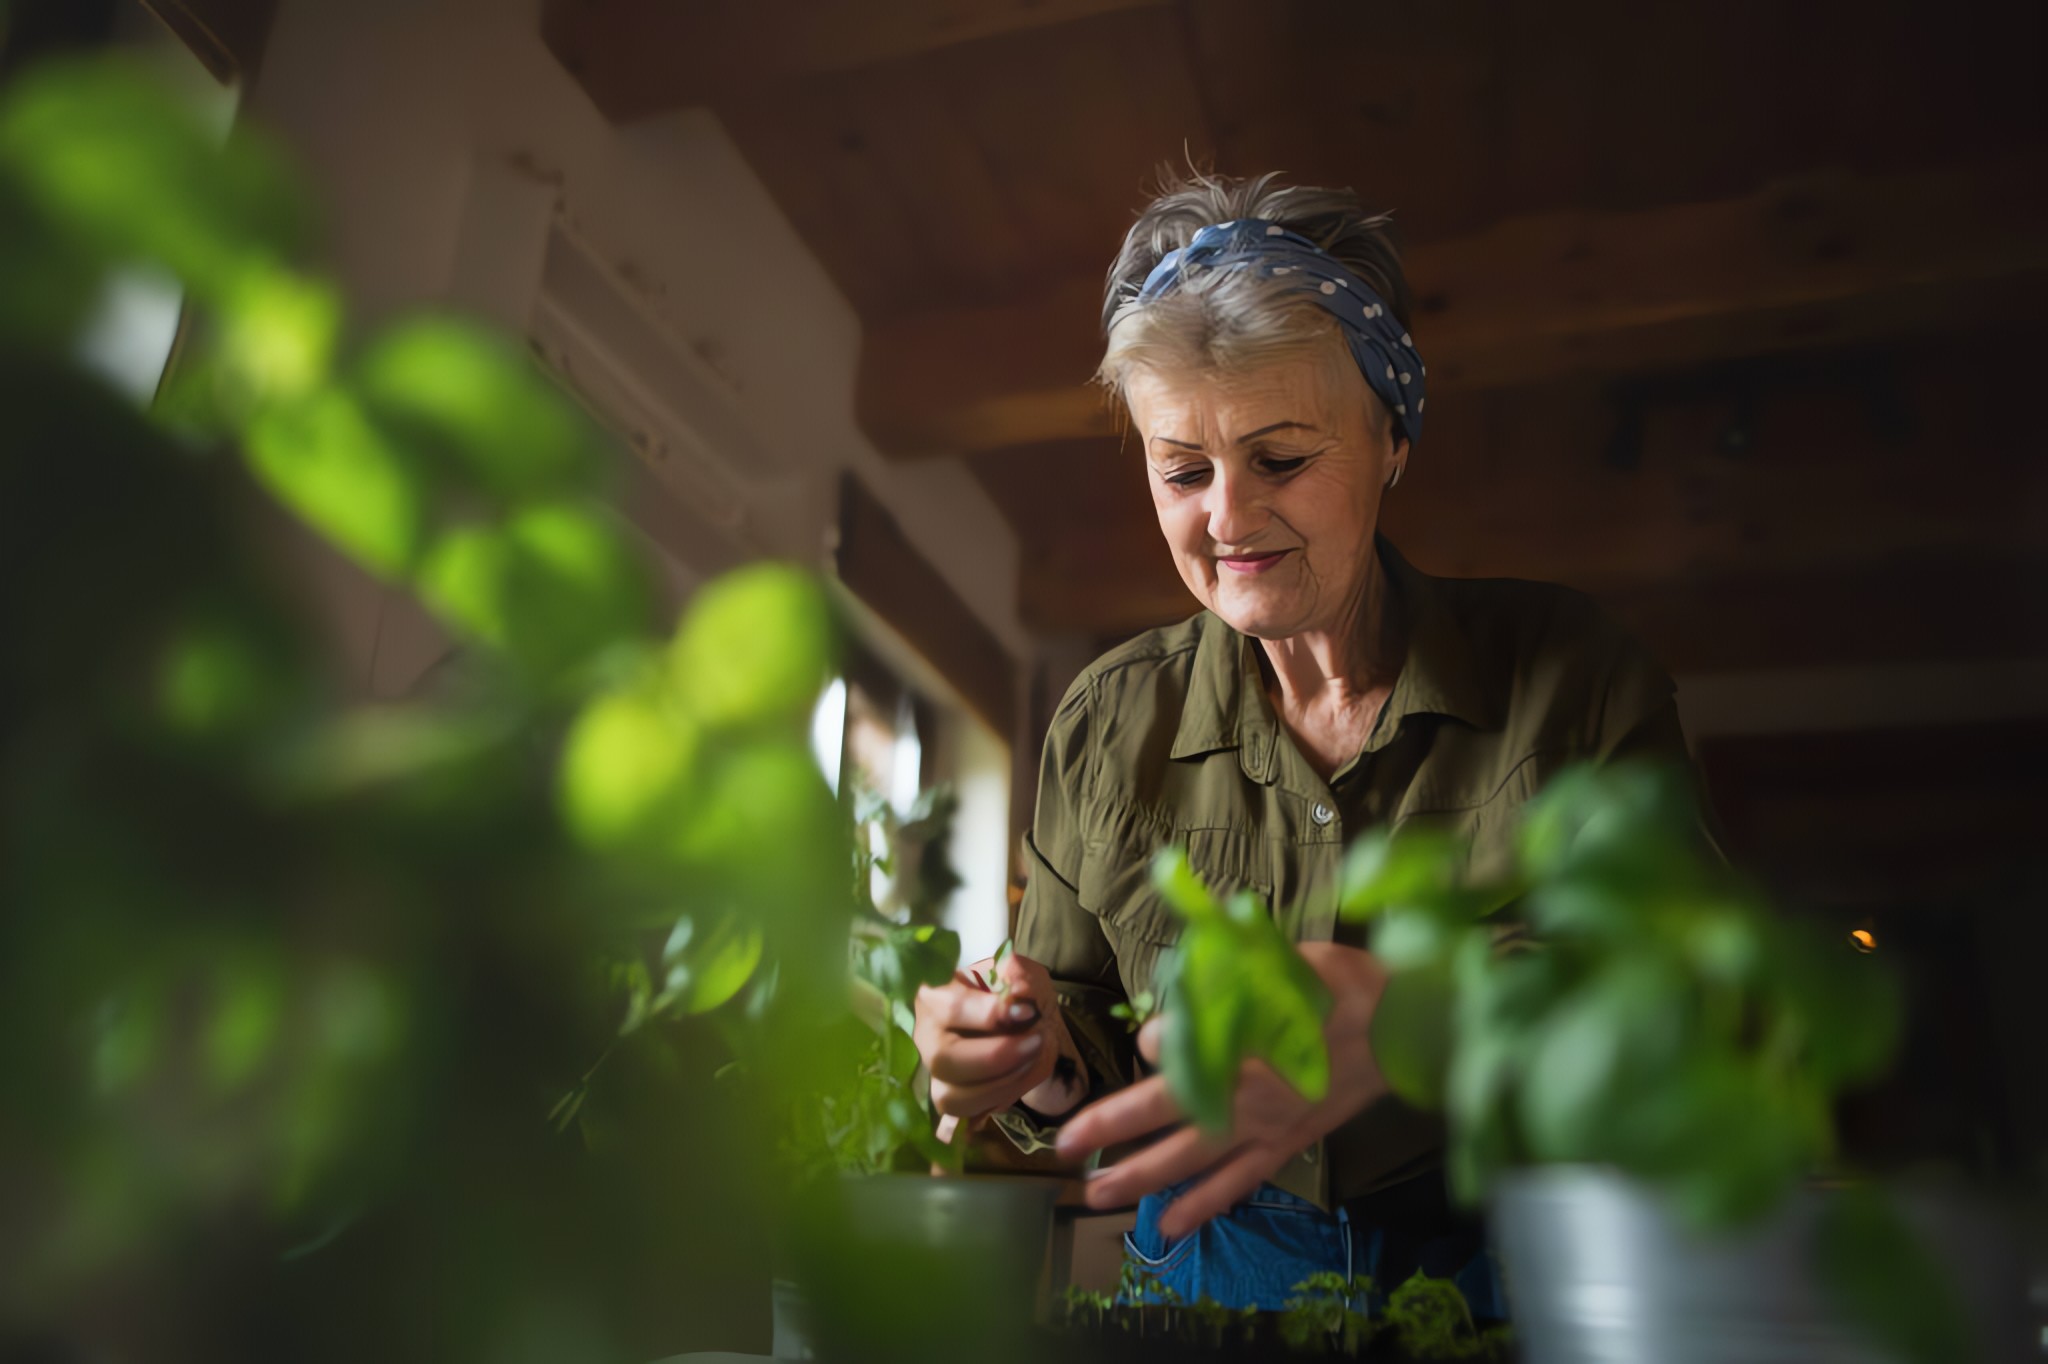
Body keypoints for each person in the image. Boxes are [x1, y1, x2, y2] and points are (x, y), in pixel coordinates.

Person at [910, 171, 1702, 1315]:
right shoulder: (1102, 720)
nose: (1224, 518)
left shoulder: (1572, 681)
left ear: (1391, 441)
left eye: (1279, 459)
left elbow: (1683, 997)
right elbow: (1078, 1012)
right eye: (1181, 469)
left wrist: (1423, 1012)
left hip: (1505, 1264)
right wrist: (1025, 1052)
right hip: (1203, 1266)